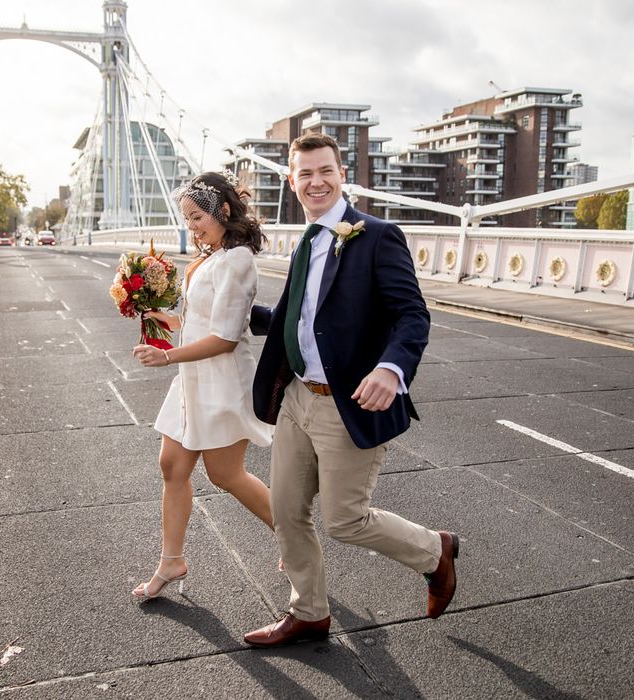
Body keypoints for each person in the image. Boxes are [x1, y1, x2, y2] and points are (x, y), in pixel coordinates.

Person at [244, 134, 459, 648]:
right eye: (304, 174)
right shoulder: (308, 240)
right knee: (286, 512)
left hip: (349, 403)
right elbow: (298, 318)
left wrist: (391, 367)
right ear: (291, 181)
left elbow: (413, 315)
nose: (315, 182)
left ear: (343, 174)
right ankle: (309, 613)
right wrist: (222, 315)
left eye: (325, 171)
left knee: (344, 520)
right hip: (298, 397)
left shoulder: (378, 235)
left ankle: (436, 552)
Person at [131, 171, 274, 600]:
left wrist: (167, 355)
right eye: (187, 218)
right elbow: (200, 322)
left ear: (223, 210)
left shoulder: (237, 260)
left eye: (197, 217)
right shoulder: (211, 258)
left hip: (221, 380)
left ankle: (294, 536)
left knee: (225, 474)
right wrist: (165, 321)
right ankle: (171, 561)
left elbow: (227, 337)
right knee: (172, 465)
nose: (191, 226)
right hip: (193, 378)